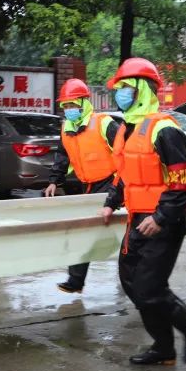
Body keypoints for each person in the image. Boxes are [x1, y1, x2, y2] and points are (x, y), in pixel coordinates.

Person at [102, 58, 186, 366]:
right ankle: (163, 348)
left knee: (149, 287)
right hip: (136, 219)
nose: (119, 93)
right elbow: (125, 174)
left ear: (142, 90)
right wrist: (111, 200)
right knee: (132, 284)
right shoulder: (126, 129)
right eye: (117, 88)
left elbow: (184, 181)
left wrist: (160, 217)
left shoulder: (164, 129)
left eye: (125, 88)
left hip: (163, 222)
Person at [45, 78, 120, 293]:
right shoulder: (67, 128)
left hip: (113, 182)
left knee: (109, 231)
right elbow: (62, 156)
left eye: (73, 105)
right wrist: (53, 181)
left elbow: (124, 151)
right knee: (83, 232)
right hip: (88, 186)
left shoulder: (104, 123)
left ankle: (134, 273)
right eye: (65, 106)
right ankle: (76, 281)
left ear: (84, 103)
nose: (69, 110)